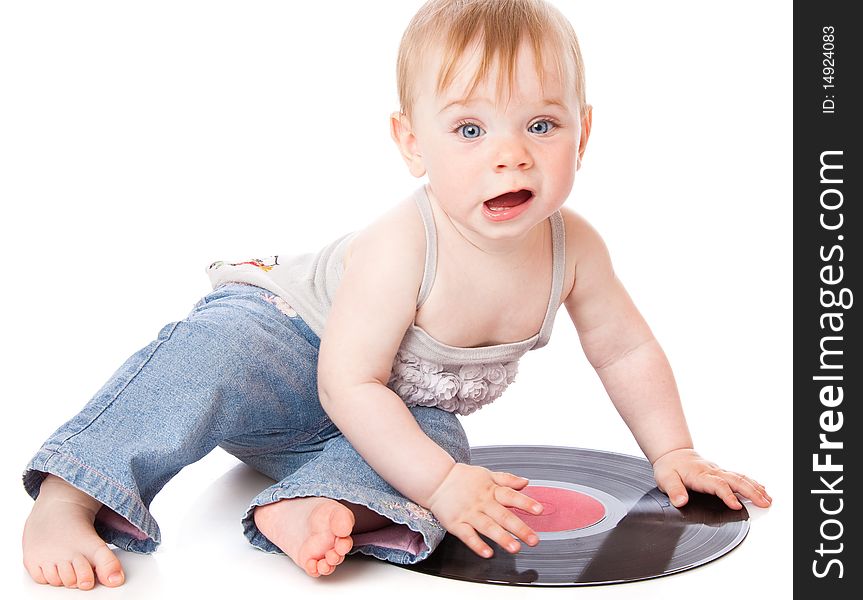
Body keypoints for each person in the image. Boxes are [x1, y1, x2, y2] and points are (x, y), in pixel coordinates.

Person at [21, 0, 772, 591]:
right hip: (289, 347)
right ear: (412, 142)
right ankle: (72, 494)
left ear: (583, 135)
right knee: (213, 355)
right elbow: (343, 377)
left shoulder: (575, 249)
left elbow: (624, 348)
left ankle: (313, 505)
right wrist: (440, 486)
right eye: (469, 128)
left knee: (444, 447)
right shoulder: (403, 243)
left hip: (373, 407)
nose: (509, 153)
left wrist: (672, 450)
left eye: (540, 124)